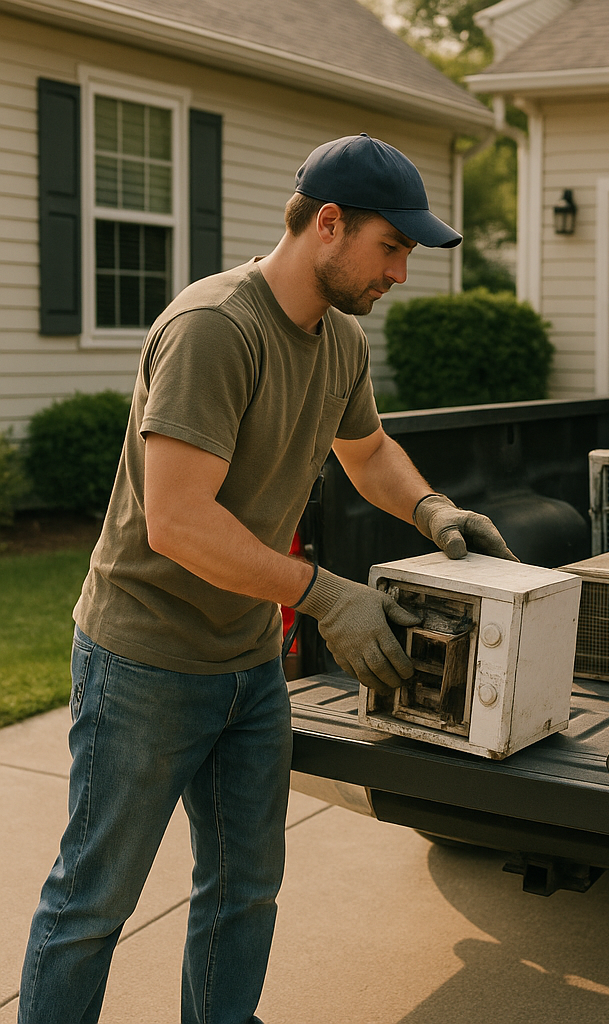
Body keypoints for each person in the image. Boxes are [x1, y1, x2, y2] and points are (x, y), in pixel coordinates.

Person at [18, 133, 515, 1024]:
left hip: (247, 664)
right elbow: (177, 522)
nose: (400, 272)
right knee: (94, 904)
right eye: (391, 247)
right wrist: (325, 594)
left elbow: (368, 455)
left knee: (242, 891)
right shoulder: (216, 329)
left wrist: (434, 509)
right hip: (145, 660)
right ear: (329, 224)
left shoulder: (339, 341)